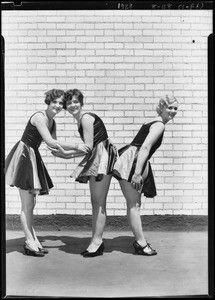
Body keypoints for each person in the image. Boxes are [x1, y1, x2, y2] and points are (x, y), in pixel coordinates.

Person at [5, 89, 88, 257]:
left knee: (31, 204)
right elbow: (50, 141)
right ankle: (29, 242)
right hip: (23, 156)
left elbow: (54, 148)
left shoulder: (52, 122)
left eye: (60, 103)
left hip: (32, 156)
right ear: (48, 102)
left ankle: (33, 239)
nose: (57, 106)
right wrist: (77, 146)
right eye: (54, 102)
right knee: (27, 204)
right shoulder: (40, 117)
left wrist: (77, 153)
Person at [51, 88, 118, 257]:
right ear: (65, 107)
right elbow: (89, 149)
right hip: (98, 157)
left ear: (81, 103)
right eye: (69, 103)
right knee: (96, 201)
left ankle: (97, 242)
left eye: (75, 102)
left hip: (102, 159)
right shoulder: (80, 120)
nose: (73, 105)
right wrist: (67, 156)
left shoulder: (86, 118)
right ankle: (96, 240)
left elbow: (88, 147)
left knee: (98, 201)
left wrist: (66, 153)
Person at [112, 94, 178, 256]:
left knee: (133, 204)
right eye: (169, 107)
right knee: (134, 205)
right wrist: (137, 173)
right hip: (134, 162)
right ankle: (141, 243)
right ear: (161, 107)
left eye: (175, 108)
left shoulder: (151, 121)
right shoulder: (159, 125)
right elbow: (146, 147)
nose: (173, 111)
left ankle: (139, 241)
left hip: (130, 158)